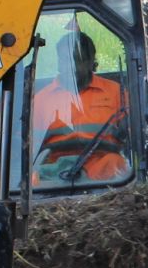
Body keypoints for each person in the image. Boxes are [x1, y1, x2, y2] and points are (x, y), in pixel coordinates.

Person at [29, 27, 130, 185]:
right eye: (66, 59)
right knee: (32, 180)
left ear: (91, 62)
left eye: (78, 59)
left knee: (116, 164)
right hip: (54, 170)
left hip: (102, 164)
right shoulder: (41, 99)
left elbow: (131, 133)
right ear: (59, 62)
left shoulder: (116, 92)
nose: (72, 66)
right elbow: (28, 146)